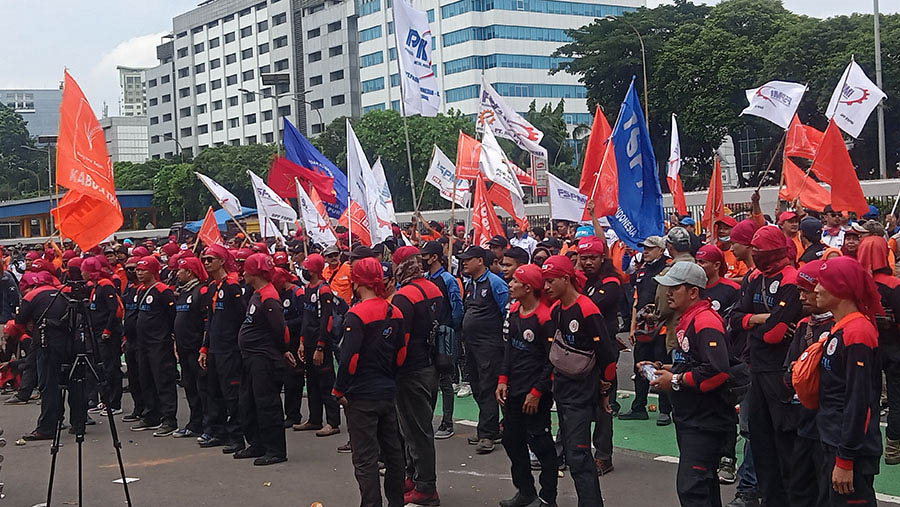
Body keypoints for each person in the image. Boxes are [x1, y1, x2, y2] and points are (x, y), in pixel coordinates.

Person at [642, 261, 735, 507]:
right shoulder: (690, 318)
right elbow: (696, 363)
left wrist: (673, 380)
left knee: (692, 488)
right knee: (703, 485)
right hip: (693, 417)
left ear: (693, 292)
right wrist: (665, 370)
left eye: (675, 288)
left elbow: (717, 370)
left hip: (705, 420)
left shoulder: (704, 321)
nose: (668, 293)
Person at [729, 226, 802, 506]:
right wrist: (761, 320)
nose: (756, 254)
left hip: (779, 372)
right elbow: (735, 319)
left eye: (761, 250)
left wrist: (756, 323)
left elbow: (774, 335)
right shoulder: (753, 277)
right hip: (755, 369)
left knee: (784, 442)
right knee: (759, 440)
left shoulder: (791, 279)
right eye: (754, 249)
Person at [542, 255, 617, 507]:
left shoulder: (586, 309)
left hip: (582, 391)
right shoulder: (556, 309)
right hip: (562, 388)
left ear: (566, 279)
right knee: (573, 453)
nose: (547, 287)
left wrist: (605, 386)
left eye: (551, 281)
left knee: (578, 455)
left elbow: (607, 353)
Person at [332, 257, 407, 507]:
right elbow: (400, 354)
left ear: (356, 281)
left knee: (365, 458)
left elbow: (349, 359)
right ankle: (396, 502)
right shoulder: (394, 310)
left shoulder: (356, 315)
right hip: (386, 391)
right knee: (394, 453)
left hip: (361, 395)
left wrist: (339, 389)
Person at [814, 256, 884, 506]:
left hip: (851, 451)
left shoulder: (857, 333)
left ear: (841, 287)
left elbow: (859, 402)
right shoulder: (841, 327)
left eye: (823, 282)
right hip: (834, 441)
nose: (816, 288)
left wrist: (845, 459)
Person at [496, 264, 558, 507]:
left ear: (529, 287)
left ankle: (548, 497)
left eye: (515, 282)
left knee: (541, 445)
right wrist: (502, 379)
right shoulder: (513, 311)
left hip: (534, 394)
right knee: (512, 440)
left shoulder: (544, 317)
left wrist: (537, 392)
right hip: (513, 391)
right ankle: (525, 491)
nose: (510, 285)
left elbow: (551, 360)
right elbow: (509, 350)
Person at [390, 246, 443, 505]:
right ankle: (414, 476)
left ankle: (425, 486)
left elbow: (402, 340)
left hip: (411, 370)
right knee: (414, 428)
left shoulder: (404, 297)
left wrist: (393, 368)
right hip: (431, 364)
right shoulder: (434, 288)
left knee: (416, 430)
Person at [234, 253, 294, 465]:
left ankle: (275, 449)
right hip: (252, 357)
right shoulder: (258, 293)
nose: (242, 272)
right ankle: (257, 443)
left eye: (246, 269)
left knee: (267, 404)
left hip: (263, 358)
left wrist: (282, 350)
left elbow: (280, 328)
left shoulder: (269, 297)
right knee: (249, 402)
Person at [783, 260, 831, 507]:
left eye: (806, 291)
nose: (801, 297)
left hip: (828, 420)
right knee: (799, 483)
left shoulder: (837, 327)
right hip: (803, 418)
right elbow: (787, 369)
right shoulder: (804, 325)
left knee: (826, 486)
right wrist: (796, 374)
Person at [577, 235, 623, 473]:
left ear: (602, 257)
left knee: (604, 404)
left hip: (604, 351)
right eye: (583, 258)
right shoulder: (588, 281)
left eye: (592, 258)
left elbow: (588, 307)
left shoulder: (610, 282)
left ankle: (603, 456)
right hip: (583, 350)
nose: (587, 262)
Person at [458, 245, 509, 454]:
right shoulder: (470, 284)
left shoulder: (496, 283)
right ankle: (490, 426)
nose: (464, 263)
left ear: (480, 260)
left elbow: (507, 312)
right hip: (472, 345)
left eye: (468, 259)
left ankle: (487, 434)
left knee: (488, 387)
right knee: (478, 387)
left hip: (490, 346)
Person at [12, 273, 74, 441]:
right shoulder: (61, 293)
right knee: (74, 382)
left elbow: (17, 325)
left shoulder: (31, 296)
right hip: (69, 343)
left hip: (46, 343)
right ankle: (77, 422)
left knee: (48, 385)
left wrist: (27, 335)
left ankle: (47, 428)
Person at [199, 245, 247, 452]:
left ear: (221, 261)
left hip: (230, 350)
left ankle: (236, 437)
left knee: (232, 395)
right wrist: (204, 348)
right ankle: (218, 433)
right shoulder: (212, 287)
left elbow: (241, 319)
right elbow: (210, 320)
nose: (207, 263)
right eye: (205, 259)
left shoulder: (232, 287)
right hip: (215, 349)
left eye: (211, 259)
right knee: (214, 393)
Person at [857, 236, 900, 466]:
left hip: (865, 347)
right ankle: (892, 447)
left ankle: (867, 442)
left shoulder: (857, 284)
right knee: (896, 399)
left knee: (867, 398)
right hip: (893, 348)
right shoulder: (893, 284)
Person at [621, 235, 672, 421]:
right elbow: (636, 301)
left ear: (661, 249)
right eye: (645, 248)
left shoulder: (669, 267)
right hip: (643, 329)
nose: (646, 252)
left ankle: (664, 410)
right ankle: (638, 408)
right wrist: (633, 328)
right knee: (640, 368)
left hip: (662, 328)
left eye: (650, 248)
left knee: (660, 365)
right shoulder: (641, 270)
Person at [294, 253, 342, 437]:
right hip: (307, 342)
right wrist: (301, 342)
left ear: (314, 269)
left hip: (320, 344)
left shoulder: (324, 290)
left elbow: (326, 321)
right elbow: (306, 319)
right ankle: (314, 419)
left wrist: (321, 346)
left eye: (307, 267)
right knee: (312, 383)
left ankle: (333, 421)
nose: (304, 270)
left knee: (326, 382)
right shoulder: (307, 289)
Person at [420, 241, 463, 440]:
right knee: (430, 379)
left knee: (446, 380)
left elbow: (457, 308)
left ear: (434, 257)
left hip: (445, 334)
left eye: (425, 255)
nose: (422, 259)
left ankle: (447, 421)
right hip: (429, 335)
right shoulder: (426, 279)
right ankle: (428, 418)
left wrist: (450, 329)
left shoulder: (448, 279)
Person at [132, 256, 179, 437]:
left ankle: (169, 418)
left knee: (163, 381)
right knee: (146, 380)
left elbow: (171, 315)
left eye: (142, 270)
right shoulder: (140, 290)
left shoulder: (162, 290)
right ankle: (152, 414)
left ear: (152, 271)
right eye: (138, 269)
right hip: (143, 344)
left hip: (159, 344)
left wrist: (166, 336)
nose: (139, 272)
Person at [82, 256, 124, 417]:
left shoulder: (105, 286)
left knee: (111, 367)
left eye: (84, 271)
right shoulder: (97, 286)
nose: (82, 274)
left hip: (107, 335)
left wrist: (107, 330)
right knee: (103, 368)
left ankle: (115, 402)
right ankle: (106, 400)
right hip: (99, 332)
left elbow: (113, 310)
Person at [172, 256, 208, 438]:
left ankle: (205, 423)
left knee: (202, 388)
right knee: (190, 387)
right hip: (184, 349)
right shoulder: (183, 292)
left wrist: (203, 347)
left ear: (190, 272)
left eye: (181, 270)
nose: (177, 273)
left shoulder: (201, 291)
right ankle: (194, 422)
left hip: (196, 349)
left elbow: (205, 322)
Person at [275, 266, 305, 429]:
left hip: (295, 341)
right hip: (283, 343)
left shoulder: (297, 293)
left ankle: (294, 415)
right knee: (284, 379)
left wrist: (285, 325)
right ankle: (287, 413)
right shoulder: (278, 294)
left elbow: (303, 318)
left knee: (294, 380)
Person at [121, 256, 145, 424]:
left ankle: (149, 411)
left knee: (145, 379)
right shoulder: (129, 289)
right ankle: (138, 408)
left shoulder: (146, 290)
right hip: (129, 340)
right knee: (134, 378)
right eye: (128, 269)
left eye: (134, 268)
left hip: (144, 342)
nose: (131, 272)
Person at [696, 245, 740, 315]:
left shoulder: (733, 289)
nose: (698, 265)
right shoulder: (692, 287)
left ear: (716, 265)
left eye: (702, 262)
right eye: (697, 261)